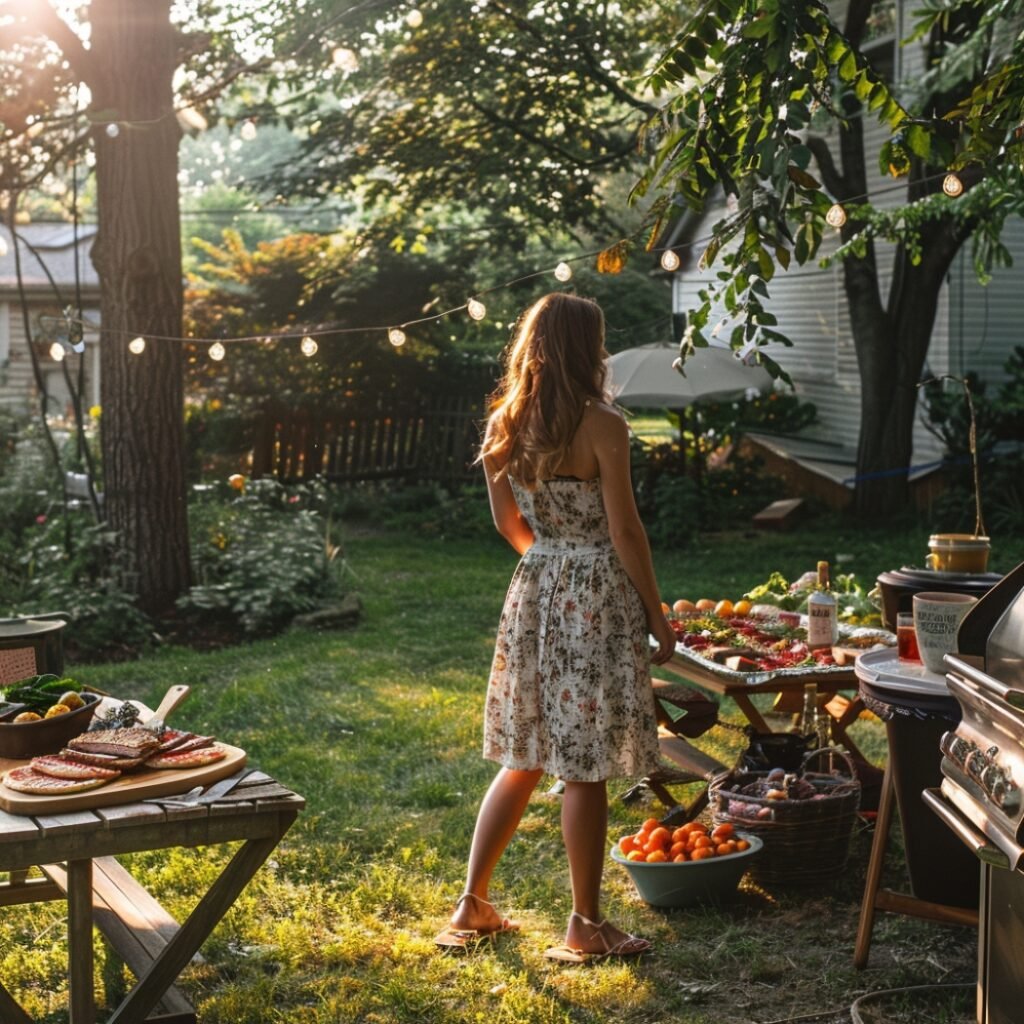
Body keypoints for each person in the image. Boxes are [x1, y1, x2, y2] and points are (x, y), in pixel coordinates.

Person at [434, 292, 677, 963]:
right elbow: (626, 530)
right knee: (585, 764)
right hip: (595, 591)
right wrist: (657, 613)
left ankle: (472, 903)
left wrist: (550, 562)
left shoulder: (505, 424)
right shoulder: (604, 424)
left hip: (535, 588)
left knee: (528, 752)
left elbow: (507, 525)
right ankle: (586, 924)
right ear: (586, 348)